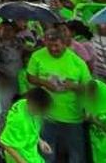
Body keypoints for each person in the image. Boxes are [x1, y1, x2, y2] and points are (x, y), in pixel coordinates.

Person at [26, 28, 92, 163]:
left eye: (56, 45)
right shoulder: (37, 56)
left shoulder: (77, 63)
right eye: (49, 46)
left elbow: (89, 89)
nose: (53, 49)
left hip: (73, 118)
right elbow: (30, 76)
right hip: (46, 115)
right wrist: (44, 82)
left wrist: (73, 86)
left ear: (65, 43)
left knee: (76, 156)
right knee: (46, 154)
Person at [0, 87, 54, 163]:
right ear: (33, 106)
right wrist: (21, 160)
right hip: (19, 157)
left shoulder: (25, 103)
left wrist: (40, 142)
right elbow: (4, 142)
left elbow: (31, 128)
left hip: (30, 154)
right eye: (41, 111)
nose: (42, 114)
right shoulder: (18, 120)